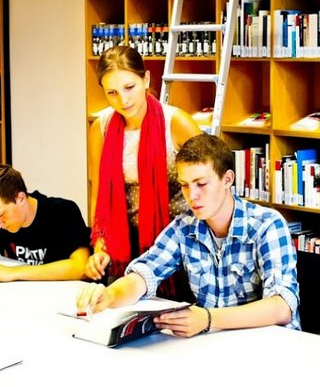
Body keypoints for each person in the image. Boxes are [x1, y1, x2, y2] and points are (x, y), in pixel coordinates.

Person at [77, 134, 300, 336]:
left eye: (201, 183)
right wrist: (110, 295)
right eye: (184, 185)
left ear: (227, 179)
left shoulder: (267, 224)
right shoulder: (184, 227)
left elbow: (281, 307)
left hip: (270, 347)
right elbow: (143, 274)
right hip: (214, 346)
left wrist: (208, 318)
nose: (192, 196)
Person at [87, 45, 201, 283]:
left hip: (179, 243)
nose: (123, 100)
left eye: (129, 87)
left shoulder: (177, 123)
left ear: (146, 79)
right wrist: (100, 246)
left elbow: (210, 181)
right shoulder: (101, 128)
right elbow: (99, 194)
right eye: (112, 93)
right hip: (124, 245)